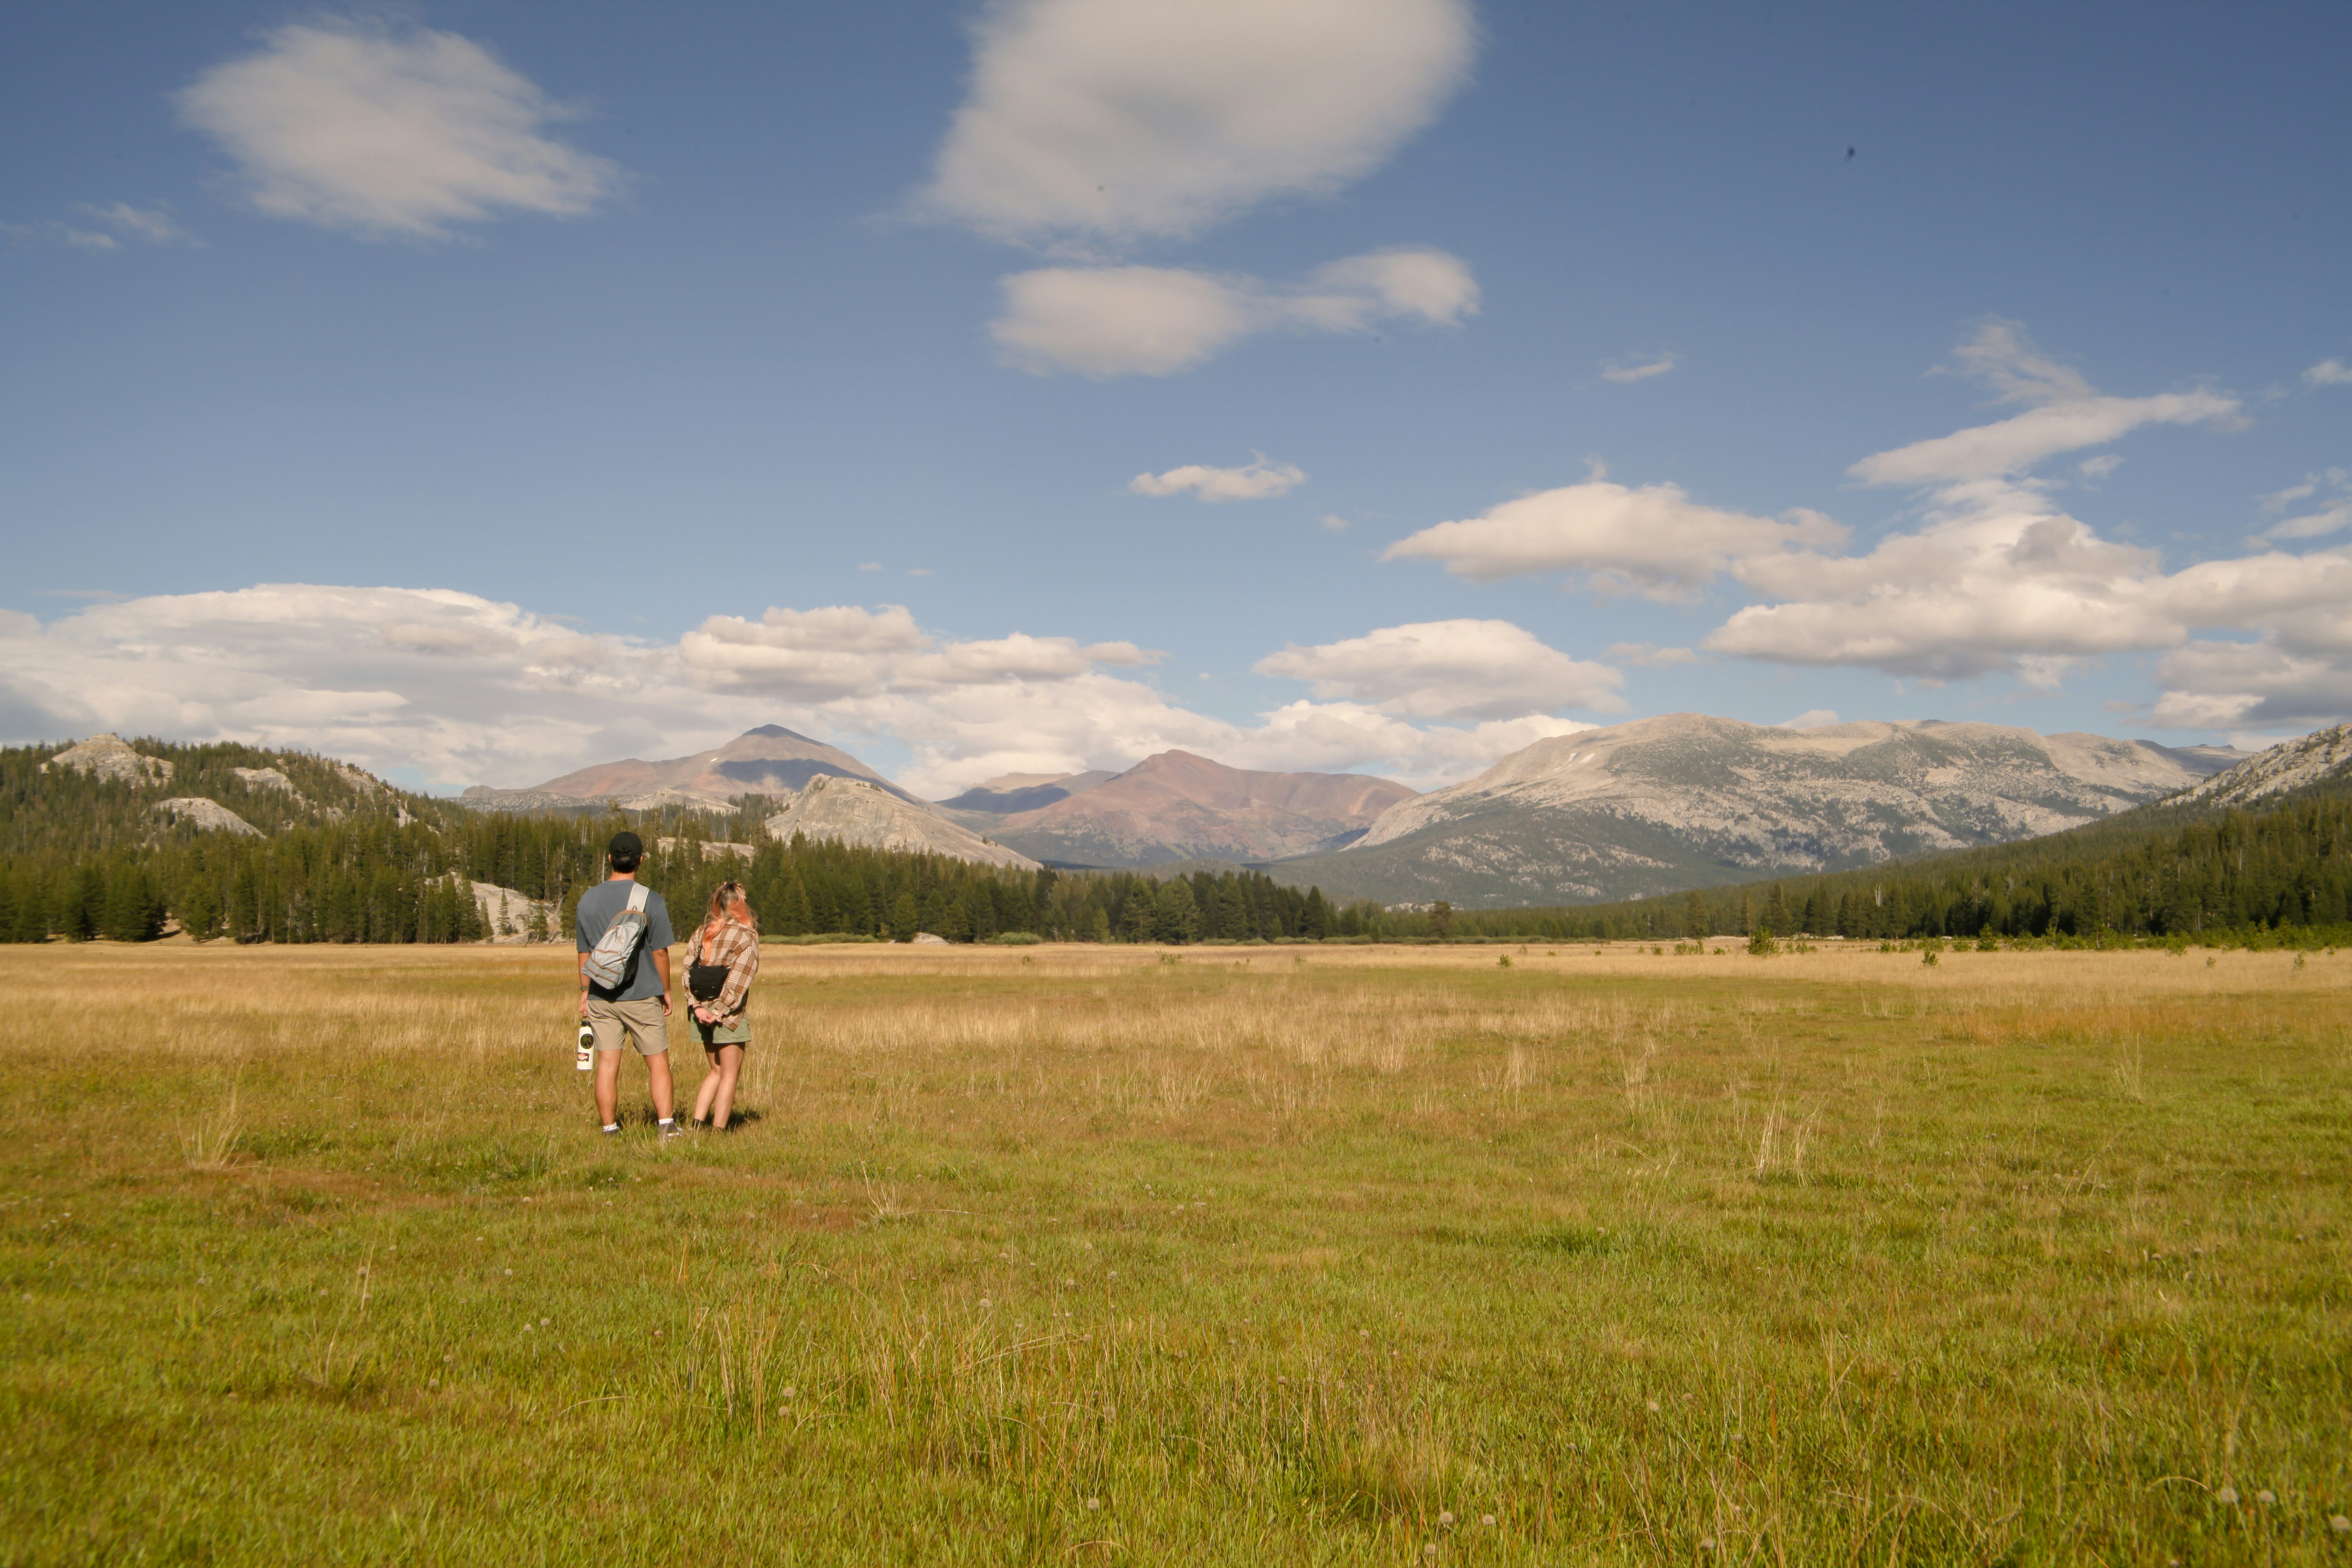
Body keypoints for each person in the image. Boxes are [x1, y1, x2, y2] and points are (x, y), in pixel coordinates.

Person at [575, 830, 680, 1138]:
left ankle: (610, 1128)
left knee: (608, 1062)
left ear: (610, 859)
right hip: (642, 993)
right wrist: (667, 991)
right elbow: (660, 952)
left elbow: (584, 952)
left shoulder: (587, 900)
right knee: (658, 1061)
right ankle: (666, 1126)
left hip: (600, 994)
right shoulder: (651, 900)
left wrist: (585, 991)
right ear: (640, 861)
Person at [686, 880, 761, 1130]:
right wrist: (720, 1011)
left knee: (715, 1071)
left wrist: (697, 1007)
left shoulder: (702, 932)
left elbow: (688, 971)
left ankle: (697, 1125)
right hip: (728, 1016)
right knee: (730, 1074)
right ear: (741, 905)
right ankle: (719, 1129)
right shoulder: (745, 935)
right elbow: (741, 978)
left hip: (700, 1012)